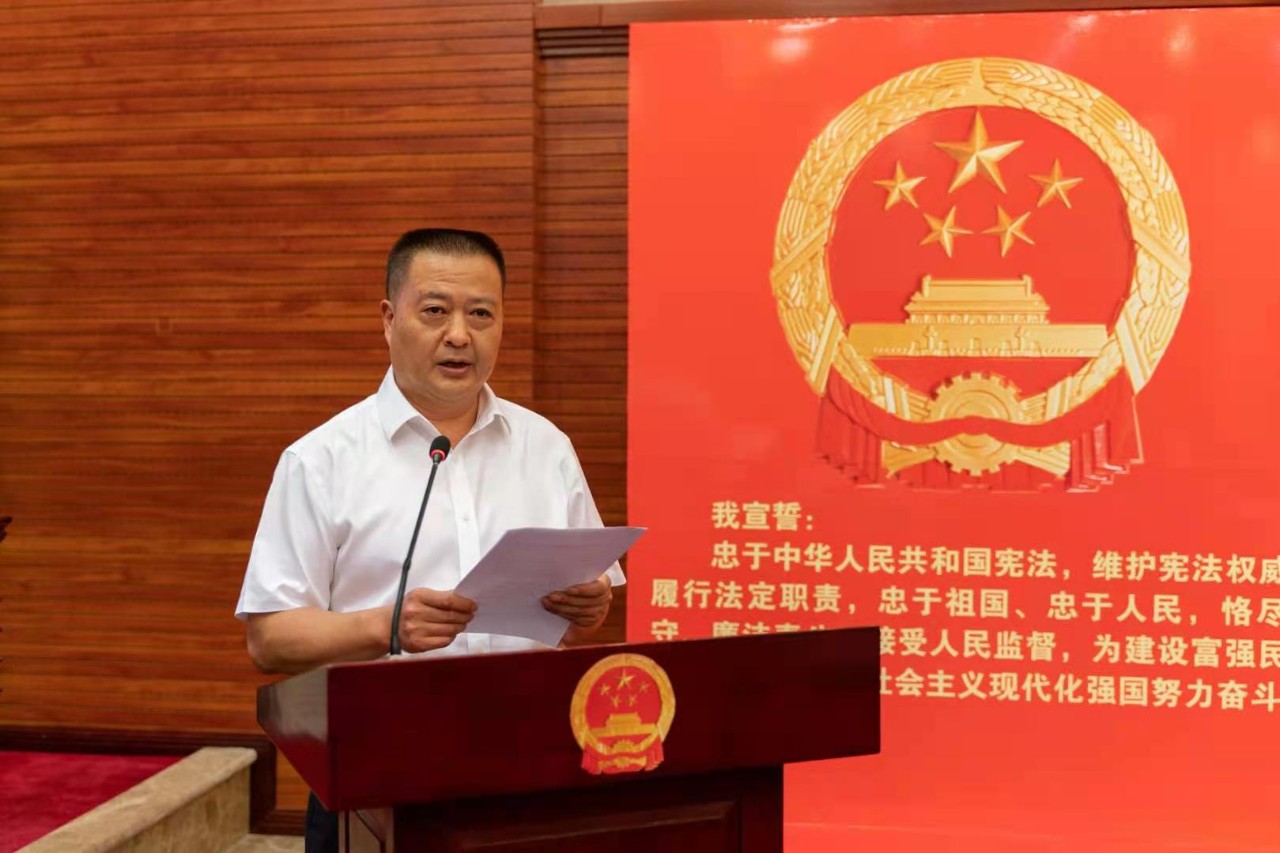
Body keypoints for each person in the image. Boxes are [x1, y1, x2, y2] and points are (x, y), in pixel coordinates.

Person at [234, 228, 623, 852]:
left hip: (529, 760)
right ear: (389, 319)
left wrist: (589, 606)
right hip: (377, 766)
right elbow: (269, 638)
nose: (460, 335)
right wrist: (384, 627)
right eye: (436, 311)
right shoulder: (321, 460)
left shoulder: (546, 447)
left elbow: (579, 629)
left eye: (481, 314)